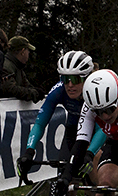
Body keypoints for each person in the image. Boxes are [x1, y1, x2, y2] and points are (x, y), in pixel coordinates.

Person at [16, 51, 105, 182]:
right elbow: (40, 124)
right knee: (64, 177)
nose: (70, 85)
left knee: (93, 170)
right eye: (65, 79)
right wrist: (29, 151)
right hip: (73, 129)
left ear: (86, 78)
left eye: (75, 79)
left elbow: (102, 129)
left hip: (98, 131)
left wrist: (89, 153)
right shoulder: (59, 90)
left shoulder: (96, 92)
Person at [0, 36, 41, 102]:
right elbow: (10, 89)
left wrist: (36, 91)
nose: (29, 53)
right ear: (23, 51)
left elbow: (26, 86)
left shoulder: (18, 67)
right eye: (28, 50)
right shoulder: (6, 66)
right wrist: (33, 93)